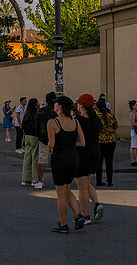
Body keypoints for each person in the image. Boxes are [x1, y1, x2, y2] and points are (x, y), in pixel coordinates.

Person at [46, 95, 85, 233]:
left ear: (60, 107)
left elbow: (51, 144)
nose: (54, 105)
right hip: (73, 158)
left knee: (61, 193)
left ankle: (63, 225)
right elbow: (82, 142)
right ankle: (78, 215)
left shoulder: (52, 122)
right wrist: (69, 142)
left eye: (56, 104)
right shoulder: (75, 122)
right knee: (67, 190)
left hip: (59, 158)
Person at [74, 94, 103, 223]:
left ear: (82, 106)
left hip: (82, 153)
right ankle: (97, 204)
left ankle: (85, 216)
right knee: (86, 182)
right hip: (95, 152)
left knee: (81, 187)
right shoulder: (96, 119)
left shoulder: (78, 120)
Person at [93, 97, 118, 187]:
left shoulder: (96, 117)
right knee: (109, 161)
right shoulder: (111, 116)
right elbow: (115, 126)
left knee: (99, 162)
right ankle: (109, 181)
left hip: (100, 140)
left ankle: (99, 180)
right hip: (111, 140)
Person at [34, 92, 57, 189]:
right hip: (56, 138)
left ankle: (39, 181)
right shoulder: (57, 111)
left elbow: (36, 125)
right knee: (56, 160)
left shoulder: (41, 111)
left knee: (42, 160)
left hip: (43, 137)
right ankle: (58, 180)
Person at [20, 98, 40, 187]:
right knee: (34, 157)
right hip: (34, 136)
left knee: (27, 157)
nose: (39, 104)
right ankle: (34, 179)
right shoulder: (36, 115)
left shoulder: (26, 115)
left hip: (27, 136)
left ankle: (25, 178)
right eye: (38, 103)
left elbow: (23, 126)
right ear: (35, 105)